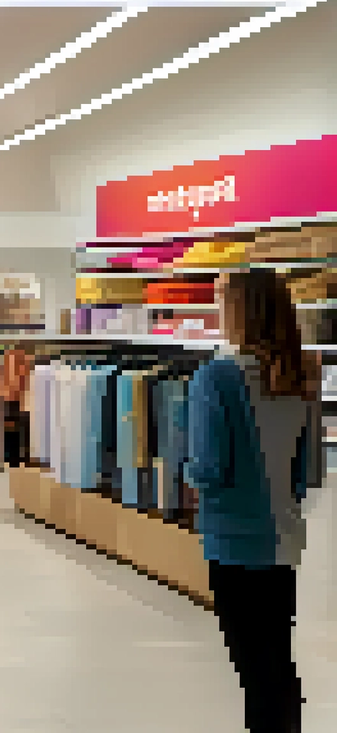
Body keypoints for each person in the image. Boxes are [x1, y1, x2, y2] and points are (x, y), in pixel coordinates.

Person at [187, 269, 322, 733]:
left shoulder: (216, 378)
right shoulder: (303, 373)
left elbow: (208, 468)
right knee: (278, 662)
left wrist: (183, 471)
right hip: (285, 538)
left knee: (253, 670)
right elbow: (310, 472)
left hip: (234, 541)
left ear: (240, 313)